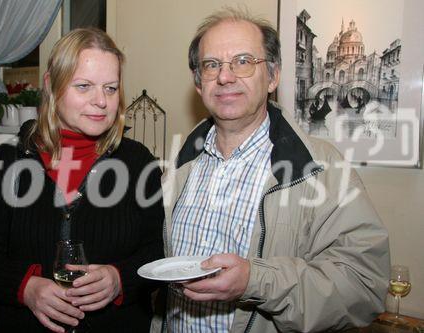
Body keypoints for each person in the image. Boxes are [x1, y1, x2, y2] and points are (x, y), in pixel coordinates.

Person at [157, 8, 390, 333]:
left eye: (243, 61)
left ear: (273, 76)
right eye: (212, 65)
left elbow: (363, 287)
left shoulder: (322, 168)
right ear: (199, 83)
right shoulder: (179, 165)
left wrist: (257, 281)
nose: (225, 77)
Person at [0, 28, 164, 333]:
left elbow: (158, 249)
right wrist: (25, 287)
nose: (101, 101)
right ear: (52, 85)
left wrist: (120, 279)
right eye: (84, 86)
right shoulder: (5, 161)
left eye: (110, 88)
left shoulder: (138, 161)